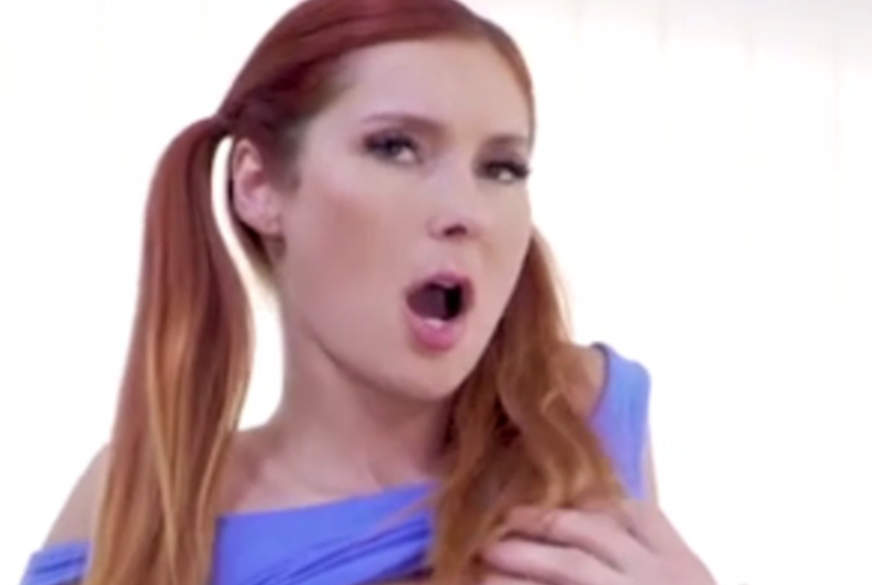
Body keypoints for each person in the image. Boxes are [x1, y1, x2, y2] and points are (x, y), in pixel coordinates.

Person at [21, 1, 715, 584]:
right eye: (396, 148)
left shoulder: (581, 424)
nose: (466, 211)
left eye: (501, 167)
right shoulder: (143, 502)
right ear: (259, 187)